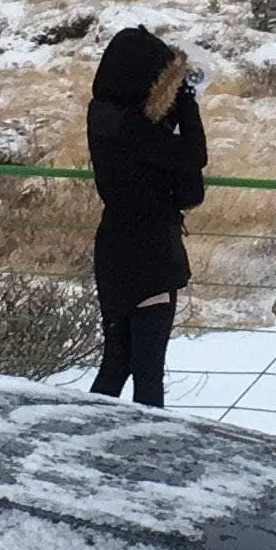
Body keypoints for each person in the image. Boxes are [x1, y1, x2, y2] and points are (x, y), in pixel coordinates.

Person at [85, 23, 207, 407]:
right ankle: (145, 455)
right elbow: (193, 161)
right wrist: (186, 103)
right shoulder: (134, 128)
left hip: (114, 247)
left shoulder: (102, 115)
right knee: (148, 374)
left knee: (116, 363)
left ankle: (83, 437)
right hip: (152, 249)